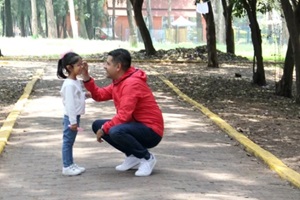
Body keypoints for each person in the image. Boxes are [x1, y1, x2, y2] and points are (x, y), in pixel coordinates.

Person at [82, 48, 164, 177]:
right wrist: (86, 76)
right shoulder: (120, 82)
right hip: (136, 126)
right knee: (97, 125)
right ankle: (133, 155)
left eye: (108, 64)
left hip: (151, 131)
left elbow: (124, 116)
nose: (104, 66)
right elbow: (99, 95)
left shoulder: (131, 84)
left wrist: (105, 129)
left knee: (115, 131)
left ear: (118, 67)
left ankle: (147, 158)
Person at [57, 52, 90, 176]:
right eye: (79, 65)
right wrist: (73, 122)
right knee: (68, 142)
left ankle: (70, 163)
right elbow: (70, 104)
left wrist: (84, 95)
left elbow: (75, 98)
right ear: (69, 67)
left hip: (75, 116)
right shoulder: (69, 84)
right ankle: (67, 166)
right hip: (71, 118)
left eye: (82, 64)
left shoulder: (74, 81)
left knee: (70, 141)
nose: (82, 67)